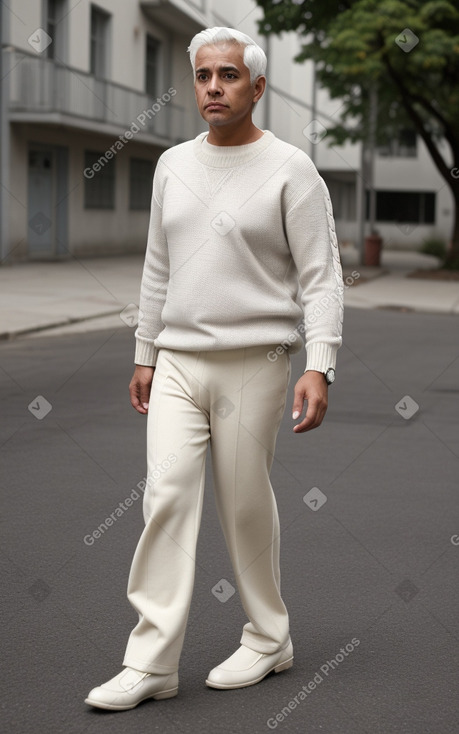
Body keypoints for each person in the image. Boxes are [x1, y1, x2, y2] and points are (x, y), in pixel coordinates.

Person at [85, 26, 343, 711]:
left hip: (254, 362)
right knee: (164, 497)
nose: (213, 88)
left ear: (256, 87)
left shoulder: (291, 169)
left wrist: (319, 364)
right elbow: (157, 267)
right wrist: (144, 352)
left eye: (228, 75)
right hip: (176, 360)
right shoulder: (172, 164)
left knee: (242, 502)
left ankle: (267, 636)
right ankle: (151, 663)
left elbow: (320, 278)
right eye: (203, 76)